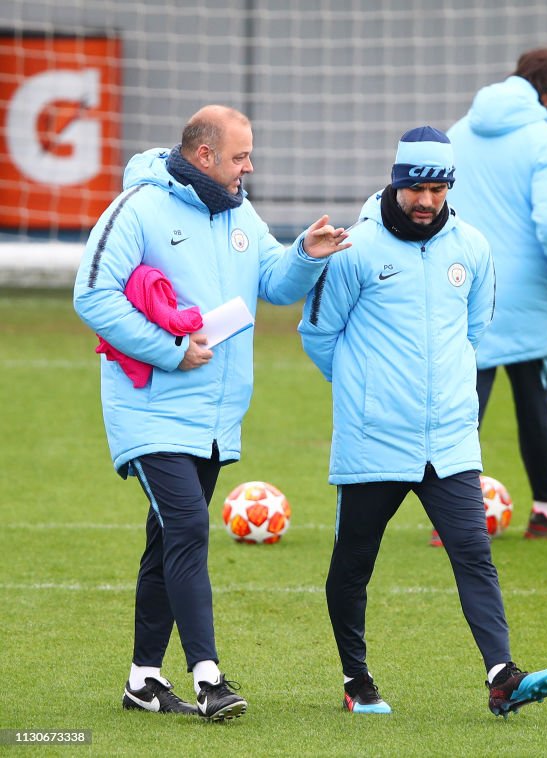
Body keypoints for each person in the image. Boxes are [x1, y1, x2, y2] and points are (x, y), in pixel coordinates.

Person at [73, 105, 349, 720]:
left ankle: (143, 680)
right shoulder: (138, 208)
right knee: (191, 530)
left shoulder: (238, 210)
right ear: (204, 156)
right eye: (240, 156)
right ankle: (208, 678)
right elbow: (91, 294)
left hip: (215, 418)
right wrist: (170, 350)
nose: (249, 166)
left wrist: (306, 251)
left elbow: (274, 282)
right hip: (149, 412)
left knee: (166, 541)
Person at [298, 126, 547, 716]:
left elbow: (474, 332)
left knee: (474, 552)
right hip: (374, 440)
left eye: (439, 188)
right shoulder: (354, 249)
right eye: (417, 188)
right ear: (396, 183)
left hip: (448, 439)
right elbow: (318, 335)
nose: (427, 201)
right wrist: (366, 392)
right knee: (353, 563)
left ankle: (502, 677)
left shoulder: (471, 247)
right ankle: (356, 681)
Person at [447, 48, 547, 540]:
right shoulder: (545, 141)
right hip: (525, 293)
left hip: (462, 287)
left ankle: (449, 516)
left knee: (462, 406)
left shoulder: (457, 132)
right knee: (534, 402)